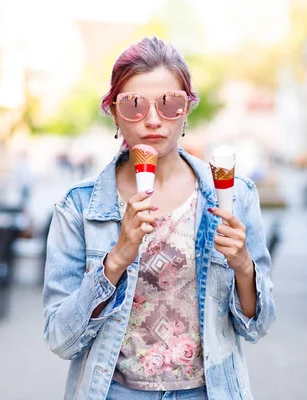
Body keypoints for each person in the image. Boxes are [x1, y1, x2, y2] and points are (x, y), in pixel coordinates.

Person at [42, 37, 275, 399]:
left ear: (186, 110)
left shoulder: (235, 196)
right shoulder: (79, 207)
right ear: (115, 114)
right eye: (134, 105)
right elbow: (59, 337)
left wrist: (244, 266)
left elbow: (257, 326)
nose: (153, 120)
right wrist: (116, 258)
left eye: (169, 103)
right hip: (115, 391)